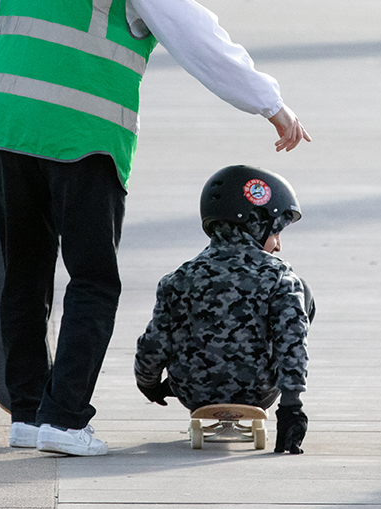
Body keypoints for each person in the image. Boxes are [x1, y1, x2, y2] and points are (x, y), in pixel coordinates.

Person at [0, 0, 311, 457]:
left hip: (6, 129)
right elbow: (199, 38)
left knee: (24, 275)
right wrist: (269, 103)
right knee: (93, 279)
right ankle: (65, 420)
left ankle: (28, 414)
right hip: (84, 137)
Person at [134, 165, 314, 454]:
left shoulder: (179, 277)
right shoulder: (279, 277)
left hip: (193, 394)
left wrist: (150, 383)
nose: (278, 245)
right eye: (277, 231)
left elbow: (155, 342)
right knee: (302, 292)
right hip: (258, 392)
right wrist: (292, 406)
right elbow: (292, 342)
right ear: (256, 222)